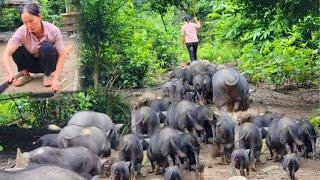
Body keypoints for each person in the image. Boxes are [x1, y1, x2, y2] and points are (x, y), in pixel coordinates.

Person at [1, 2, 66, 92]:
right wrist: (10, 73)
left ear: (39, 16)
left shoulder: (54, 30)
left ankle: (47, 75)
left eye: (31, 21)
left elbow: (62, 54)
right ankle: (25, 74)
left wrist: (56, 79)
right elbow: (6, 53)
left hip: (48, 65)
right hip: (31, 65)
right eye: (25, 22)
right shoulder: (21, 31)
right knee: (16, 48)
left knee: (47, 47)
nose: (29, 26)